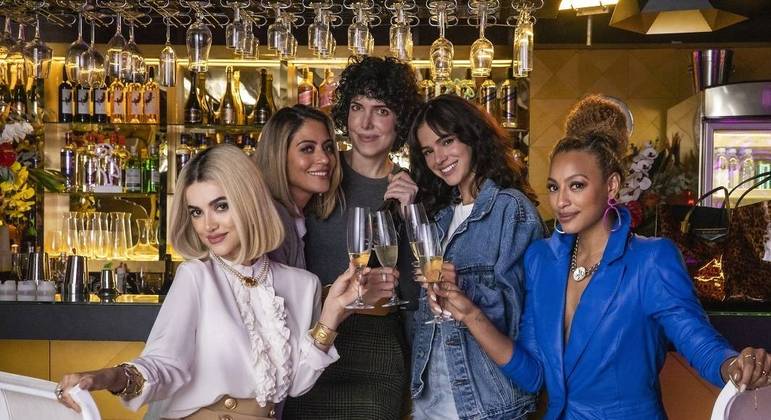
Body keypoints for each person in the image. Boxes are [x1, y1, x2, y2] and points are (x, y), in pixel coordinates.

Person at [433, 125, 771, 419]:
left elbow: (697, 341)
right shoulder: (541, 260)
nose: (561, 201)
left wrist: (734, 366)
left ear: (611, 186)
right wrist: (470, 314)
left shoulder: (651, 260)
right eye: (554, 187)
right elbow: (533, 374)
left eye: (576, 185)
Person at [55, 144, 392, 419]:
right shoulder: (196, 276)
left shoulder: (302, 285)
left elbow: (297, 385)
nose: (208, 225)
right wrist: (109, 376)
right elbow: (164, 363)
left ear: (249, 203)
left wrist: (331, 313)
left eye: (220, 206)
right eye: (196, 212)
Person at [283, 56, 422, 420]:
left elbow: (414, 295)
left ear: (400, 120)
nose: (365, 123)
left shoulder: (411, 188)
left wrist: (411, 215)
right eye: (358, 107)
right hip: (312, 341)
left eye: (381, 110)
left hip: (377, 353)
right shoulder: (318, 172)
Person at [407, 95, 541, 420]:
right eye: (428, 151)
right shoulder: (440, 217)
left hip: (487, 404)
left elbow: (523, 315)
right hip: (430, 400)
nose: (439, 158)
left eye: (446, 141)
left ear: (472, 136)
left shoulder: (511, 210)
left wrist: (462, 289)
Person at [254, 105, 342, 269]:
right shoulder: (272, 220)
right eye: (307, 149)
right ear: (279, 155)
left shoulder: (295, 214)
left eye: (328, 147)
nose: (324, 159)